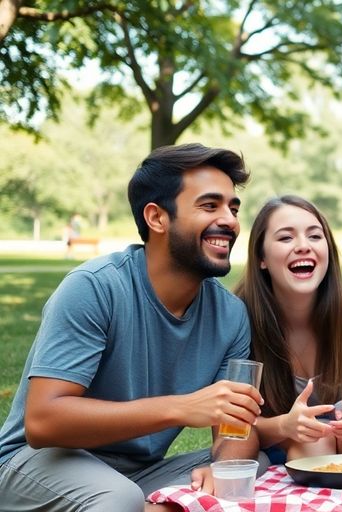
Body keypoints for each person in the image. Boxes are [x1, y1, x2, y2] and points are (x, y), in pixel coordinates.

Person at [0, 143, 263, 511]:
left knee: (252, 469)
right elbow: (44, 423)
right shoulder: (95, 287)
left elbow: (235, 427)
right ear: (157, 218)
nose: (231, 220)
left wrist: (221, 466)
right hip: (36, 463)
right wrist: (180, 408)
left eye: (233, 208)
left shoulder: (231, 315)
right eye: (210, 205)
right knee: (118, 498)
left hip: (137, 472)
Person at [234, 195, 342, 462]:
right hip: (276, 445)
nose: (303, 246)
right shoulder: (239, 320)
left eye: (315, 237)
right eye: (286, 238)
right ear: (261, 258)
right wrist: (286, 426)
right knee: (315, 446)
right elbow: (233, 427)